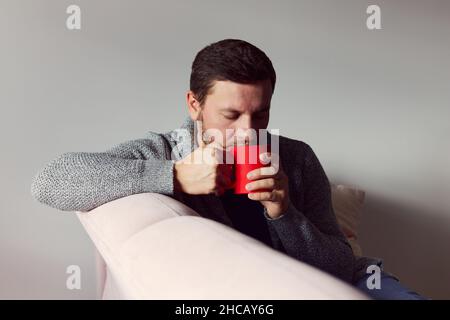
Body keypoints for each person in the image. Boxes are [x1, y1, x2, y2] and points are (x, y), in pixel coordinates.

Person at [31, 38, 427, 300]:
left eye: (260, 114)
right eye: (230, 114)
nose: (247, 132)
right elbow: (51, 180)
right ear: (193, 104)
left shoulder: (297, 158)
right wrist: (176, 175)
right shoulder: (164, 150)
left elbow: (341, 266)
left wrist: (285, 213)